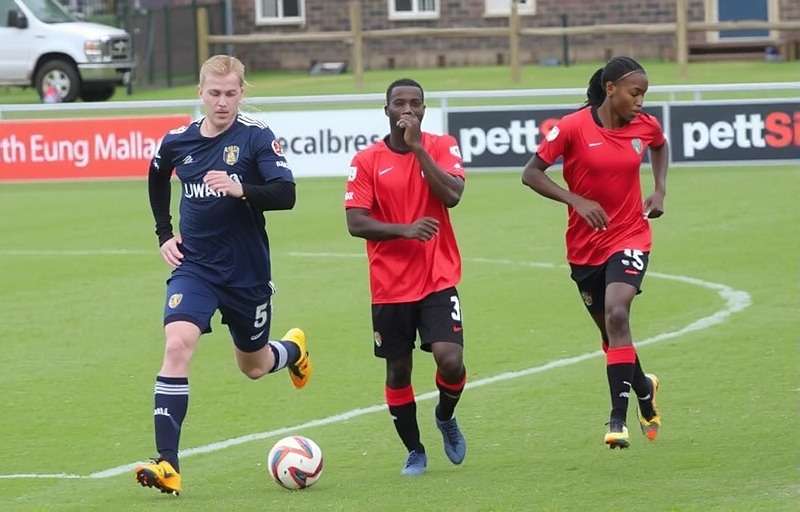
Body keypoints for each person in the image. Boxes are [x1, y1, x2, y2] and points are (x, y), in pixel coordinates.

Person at [135, 55, 312, 495]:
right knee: (177, 344)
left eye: (231, 93)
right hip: (194, 266)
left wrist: (241, 189)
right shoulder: (177, 140)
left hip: (246, 273)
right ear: (200, 92)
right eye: (214, 93)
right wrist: (163, 232)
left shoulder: (255, 137)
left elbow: (286, 194)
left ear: (242, 92)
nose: (222, 102)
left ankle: (291, 351)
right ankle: (167, 464)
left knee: (253, 366)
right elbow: (156, 175)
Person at [521, 56, 668, 449]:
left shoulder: (644, 125)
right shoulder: (571, 127)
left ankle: (617, 421)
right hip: (585, 247)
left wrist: (659, 189)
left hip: (631, 235)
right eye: (635, 93)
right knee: (611, 334)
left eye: (645, 94)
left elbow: (659, 146)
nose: (641, 101)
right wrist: (575, 200)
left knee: (618, 313)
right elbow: (531, 173)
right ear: (610, 89)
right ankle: (644, 387)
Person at [345, 78, 468, 475]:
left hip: (438, 275)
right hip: (390, 284)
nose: (407, 110)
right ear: (387, 110)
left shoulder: (441, 146)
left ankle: (446, 416)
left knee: (450, 360)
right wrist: (404, 229)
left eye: (415, 103)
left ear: (424, 110)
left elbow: (452, 195)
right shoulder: (366, 161)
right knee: (398, 370)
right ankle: (415, 450)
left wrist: (417, 148)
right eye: (399, 103)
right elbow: (355, 222)